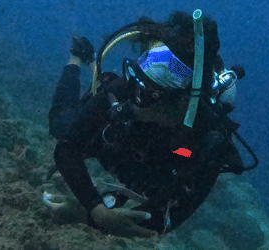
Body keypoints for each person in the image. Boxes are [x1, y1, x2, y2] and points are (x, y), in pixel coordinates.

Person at [47, 10, 256, 238]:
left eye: (149, 95)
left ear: (184, 104)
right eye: (134, 81)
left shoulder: (205, 144)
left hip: (154, 169)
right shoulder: (124, 91)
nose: (134, 99)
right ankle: (79, 57)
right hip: (117, 145)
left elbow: (167, 219)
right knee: (60, 124)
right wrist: (95, 206)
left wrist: (87, 216)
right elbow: (67, 148)